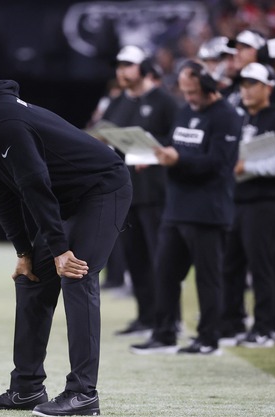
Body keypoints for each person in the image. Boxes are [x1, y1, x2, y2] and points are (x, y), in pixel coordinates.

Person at [0, 63, 132, 416]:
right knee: (30, 278)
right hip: (66, 198)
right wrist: (24, 251)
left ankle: (83, 393)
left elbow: (35, 185)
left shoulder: (2, 119)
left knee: (76, 273)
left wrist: (60, 250)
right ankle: (26, 388)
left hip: (101, 188)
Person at [130, 60, 241, 355]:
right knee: (164, 273)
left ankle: (208, 338)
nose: (190, 98)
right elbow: (174, 142)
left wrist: (176, 160)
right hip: (176, 208)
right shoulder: (185, 111)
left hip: (208, 211)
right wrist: (153, 154)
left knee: (208, 278)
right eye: (185, 91)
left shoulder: (227, 116)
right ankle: (164, 333)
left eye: (194, 92)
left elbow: (220, 163)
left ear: (208, 86)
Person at [100, 45, 180, 337]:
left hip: (157, 191)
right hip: (127, 192)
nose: (121, 71)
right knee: (136, 259)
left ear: (143, 67)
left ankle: (169, 319)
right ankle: (146, 316)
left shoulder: (164, 100)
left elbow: (178, 137)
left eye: (128, 65)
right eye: (119, 65)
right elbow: (105, 132)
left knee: (162, 258)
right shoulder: (118, 101)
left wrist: (152, 147)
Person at [222, 62, 275, 348]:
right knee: (230, 265)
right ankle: (231, 323)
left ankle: (268, 326)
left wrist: (250, 166)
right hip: (236, 201)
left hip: (265, 203)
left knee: (262, 265)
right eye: (243, 84)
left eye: (252, 84)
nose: (246, 90)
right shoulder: (239, 119)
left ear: (268, 87)